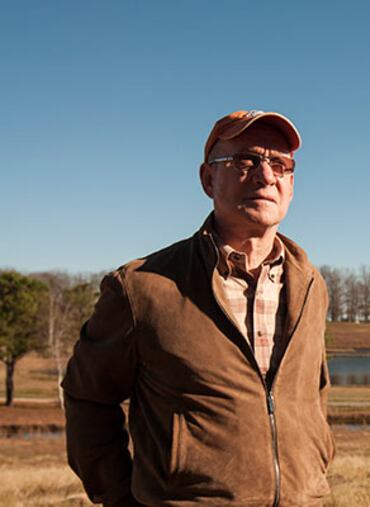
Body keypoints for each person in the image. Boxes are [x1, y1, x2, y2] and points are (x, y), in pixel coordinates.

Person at [63, 109, 335, 506]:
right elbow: (87, 397)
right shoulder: (141, 288)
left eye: (280, 164)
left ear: (291, 185)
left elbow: (316, 394)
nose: (265, 175)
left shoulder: (310, 284)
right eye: (245, 160)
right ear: (208, 179)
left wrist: (315, 473)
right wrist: (119, 496)